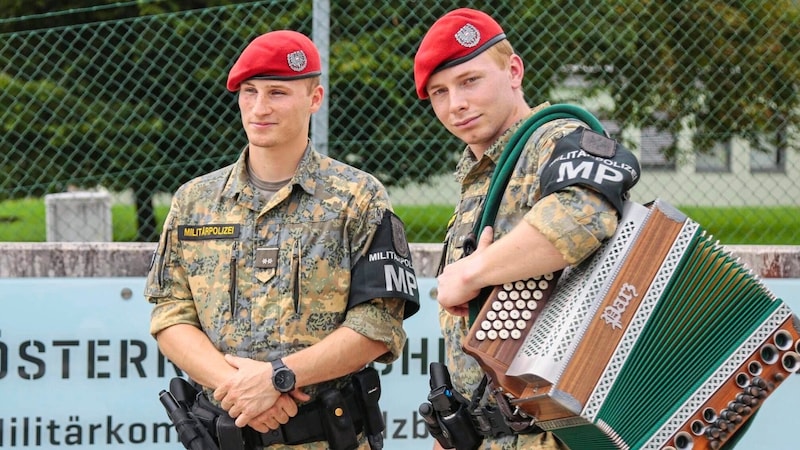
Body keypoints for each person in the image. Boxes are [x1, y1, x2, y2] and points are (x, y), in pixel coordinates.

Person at [145, 29, 420, 450]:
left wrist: (278, 377)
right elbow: (170, 315)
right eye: (249, 91)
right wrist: (240, 388)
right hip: (226, 434)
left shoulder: (357, 197)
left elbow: (378, 324)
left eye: (277, 92)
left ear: (315, 98)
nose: (259, 107)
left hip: (328, 437)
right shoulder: (195, 201)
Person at [413, 8, 639, 450]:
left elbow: (585, 211)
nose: (455, 103)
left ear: (513, 71)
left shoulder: (552, 138)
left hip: (555, 434)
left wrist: (471, 273)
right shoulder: (483, 170)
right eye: (439, 92)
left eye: (470, 81)